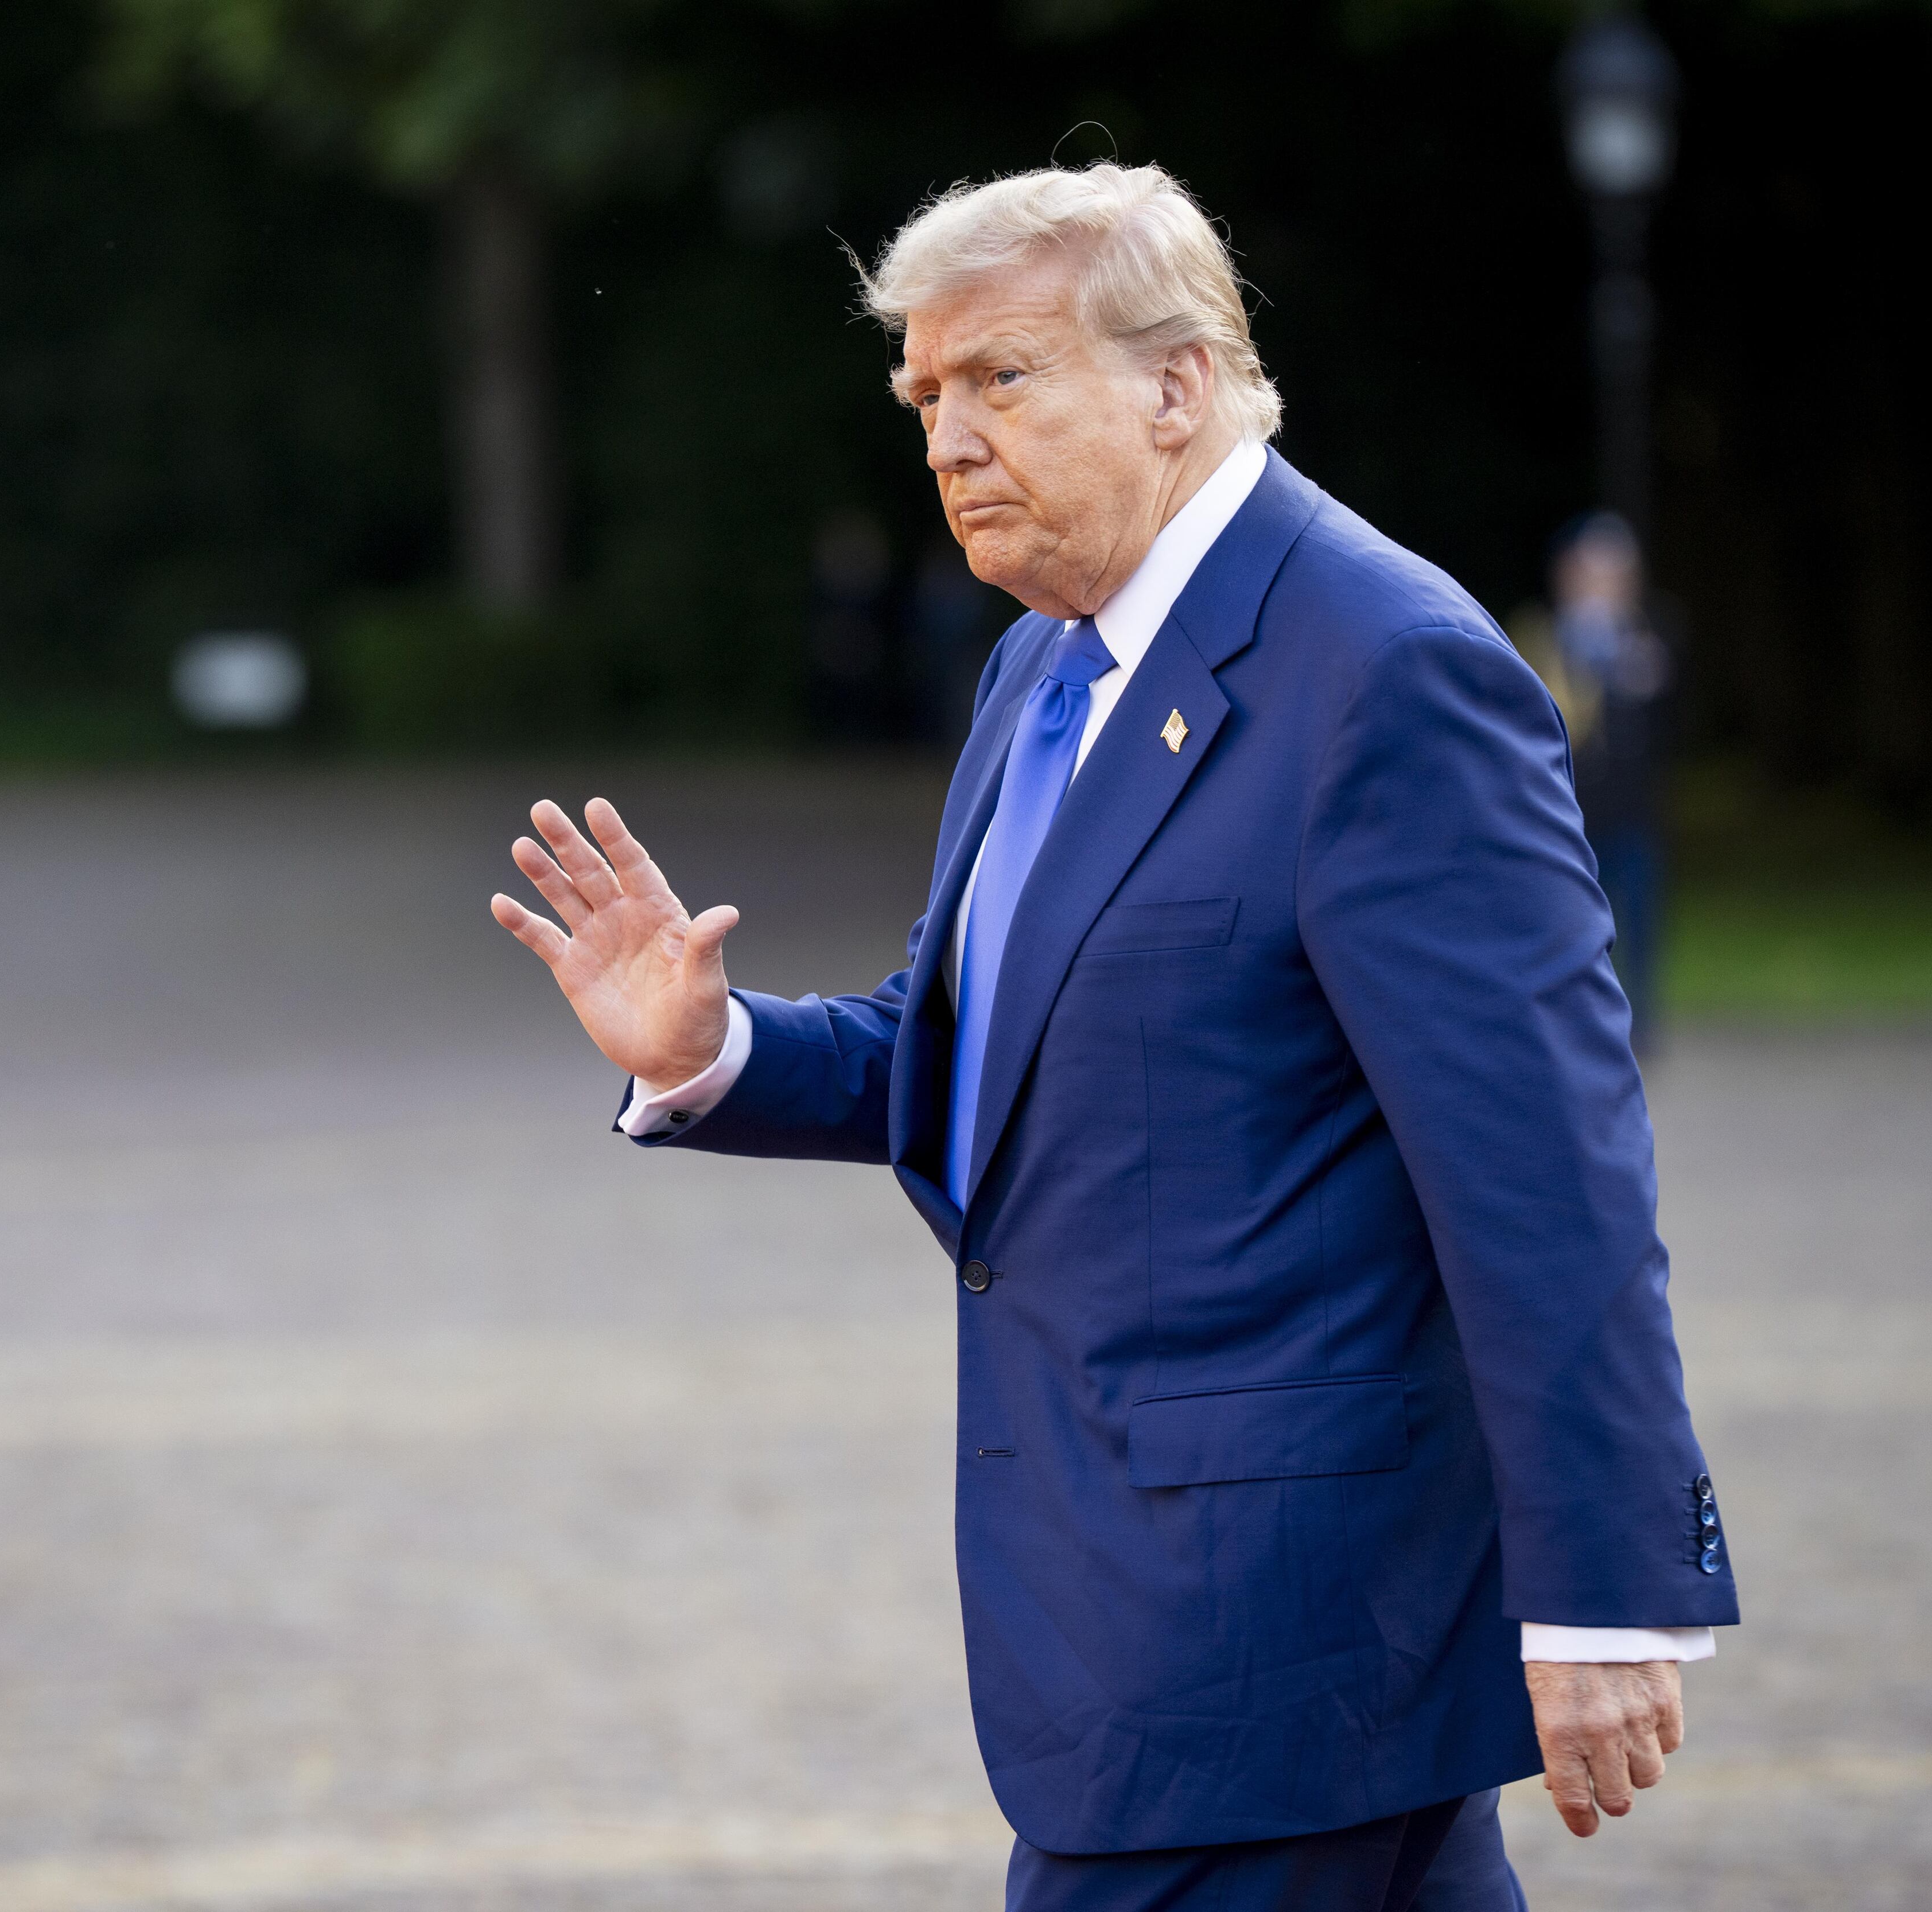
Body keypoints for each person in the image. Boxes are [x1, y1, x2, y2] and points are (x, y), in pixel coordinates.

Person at [489, 163, 1735, 1912]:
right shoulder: (1036, 671)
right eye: (924, 395)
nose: (946, 438)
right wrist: (713, 1052)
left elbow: (1549, 1167)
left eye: (999, 378)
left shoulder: (1383, 670)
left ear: (1177, 383)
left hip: (1256, 1642)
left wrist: (1603, 1591)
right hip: (1171, 1630)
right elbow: (991, 1053)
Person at [1545, 513, 1672, 1051]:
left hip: (1636, 814)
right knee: (1576, 924)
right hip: (1574, 815)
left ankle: (1641, 1023)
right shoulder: (1549, 640)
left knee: (1639, 920)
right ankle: (1587, 1023)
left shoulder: (1650, 640)